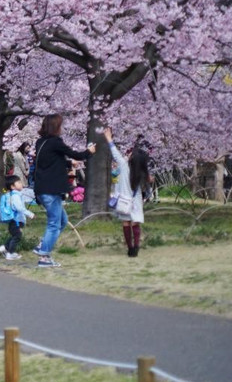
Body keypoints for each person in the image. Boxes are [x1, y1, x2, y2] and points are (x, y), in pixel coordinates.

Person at [32, 114, 95, 268]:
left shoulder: (41, 142)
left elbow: (50, 161)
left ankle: (42, 245)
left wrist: (68, 163)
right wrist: (89, 151)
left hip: (43, 188)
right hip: (50, 190)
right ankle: (44, 257)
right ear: (56, 127)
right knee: (54, 224)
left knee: (62, 221)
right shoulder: (56, 142)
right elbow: (77, 154)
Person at [104, 127, 149, 256]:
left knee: (126, 223)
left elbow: (115, 153)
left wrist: (109, 138)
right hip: (135, 201)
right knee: (135, 223)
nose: (128, 154)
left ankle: (130, 248)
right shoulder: (141, 172)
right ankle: (136, 247)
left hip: (123, 201)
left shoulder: (124, 165)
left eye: (130, 154)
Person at [0, 175, 34, 260]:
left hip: (14, 220)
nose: (21, 184)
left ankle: (4, 247)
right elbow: (19, 208)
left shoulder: (12, 195)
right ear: (12, 186)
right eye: (19, 182)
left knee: (15, 235)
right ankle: (10, 253)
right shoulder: (15, 196)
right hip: (16, 220)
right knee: (17, 236)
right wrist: (30, 214)